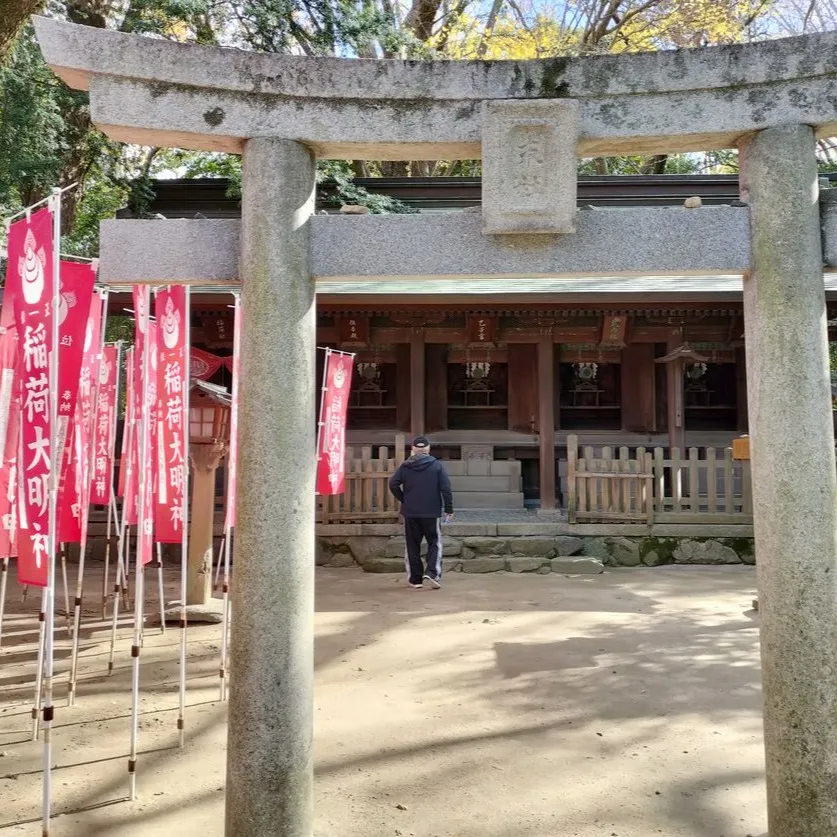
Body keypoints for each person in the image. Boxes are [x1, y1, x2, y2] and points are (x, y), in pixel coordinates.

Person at [388, 436, 454, 589]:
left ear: (413, 449)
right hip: (431, 511)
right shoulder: (437, 465)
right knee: (434, 543)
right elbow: (446, 489)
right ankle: (432, 573)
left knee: (412, 545)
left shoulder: (405, 466)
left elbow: (393, 484)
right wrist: (449, 509)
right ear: (428, 449)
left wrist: (404, 499)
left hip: (410, 512)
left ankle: (415, 579)